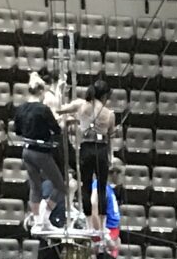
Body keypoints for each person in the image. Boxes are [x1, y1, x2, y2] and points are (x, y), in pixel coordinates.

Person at [14, 73, 68, 231]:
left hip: (26, 151)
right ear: (41, 92)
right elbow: (57, 130)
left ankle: (38, 222)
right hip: (41, 152)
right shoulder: (42, 109)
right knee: (60, 186)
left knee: (35, 187)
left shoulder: (21, 108)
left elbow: (17, 131)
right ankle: (45, 214)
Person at [75, 81, 116, 221]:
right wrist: (111, 156)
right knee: (101, 188)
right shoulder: (109, 114)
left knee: (85, 186)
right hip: (101, 148)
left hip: (86, 148)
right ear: (104, 95)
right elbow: (110, 138)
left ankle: (88, 224)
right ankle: (102, 227)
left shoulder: (82, 107)